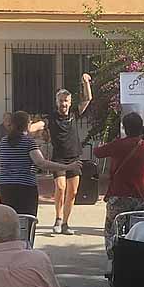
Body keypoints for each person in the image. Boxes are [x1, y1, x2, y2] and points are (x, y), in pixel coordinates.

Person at [29, 73, 93, 235]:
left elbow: (88, 99)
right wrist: (29, 127)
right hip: (59, 159)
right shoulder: (52, 117)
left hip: (74, 157)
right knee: (60, 187)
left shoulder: (74, 114)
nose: (63, 103)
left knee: (73, 192)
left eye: (66, 101)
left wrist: (86, 83)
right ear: (57, 102)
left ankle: (65, 223)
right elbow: (39, 125)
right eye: (61, 101)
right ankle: (58, 218)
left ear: (70, 103)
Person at [94, 112, 144, 251]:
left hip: (119, 196)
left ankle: (113, 259)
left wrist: (102, 145)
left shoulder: (118, 144)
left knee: (112, 230)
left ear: (125, 128)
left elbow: (98, 152)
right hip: (141, 197)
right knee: (139, 231)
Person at [0, 111, 79, 218]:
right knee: (27, 219)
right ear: (27, 125)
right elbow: (41, 163)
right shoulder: (28, 142)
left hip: (5, 186)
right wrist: (67, 167)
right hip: (25, 186)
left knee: (9, 219)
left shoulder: (3, 141)